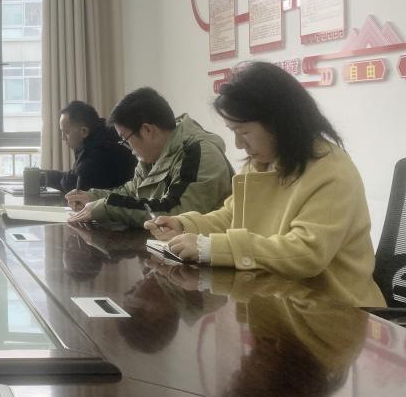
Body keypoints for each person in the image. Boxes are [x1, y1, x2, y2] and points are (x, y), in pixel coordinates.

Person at [143, 62, 385, 307]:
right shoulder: (262, 163)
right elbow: (233, 215)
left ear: (279, 122)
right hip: (279, 300)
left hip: (335, 311)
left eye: (243, 132)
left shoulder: (332, 171)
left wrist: (210, 248)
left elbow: (306, 253)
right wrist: (185, 225)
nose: (238, 144)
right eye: (233, 131)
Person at [67, 87, 233, 228]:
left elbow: (175, 212)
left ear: (147, 130)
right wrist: (92, 197)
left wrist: (106, 207)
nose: (127, 148)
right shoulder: (153, 156)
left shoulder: (199, 153)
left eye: (125, 139)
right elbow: (132, 192)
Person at [44, 100, 136, 193]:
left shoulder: (102, 150)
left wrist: (44, 177)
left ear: (84, 131)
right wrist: (44, 175)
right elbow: (74, 175)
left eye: (66, 132)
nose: (63, 138)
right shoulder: (99, 134)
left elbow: (74, 185)